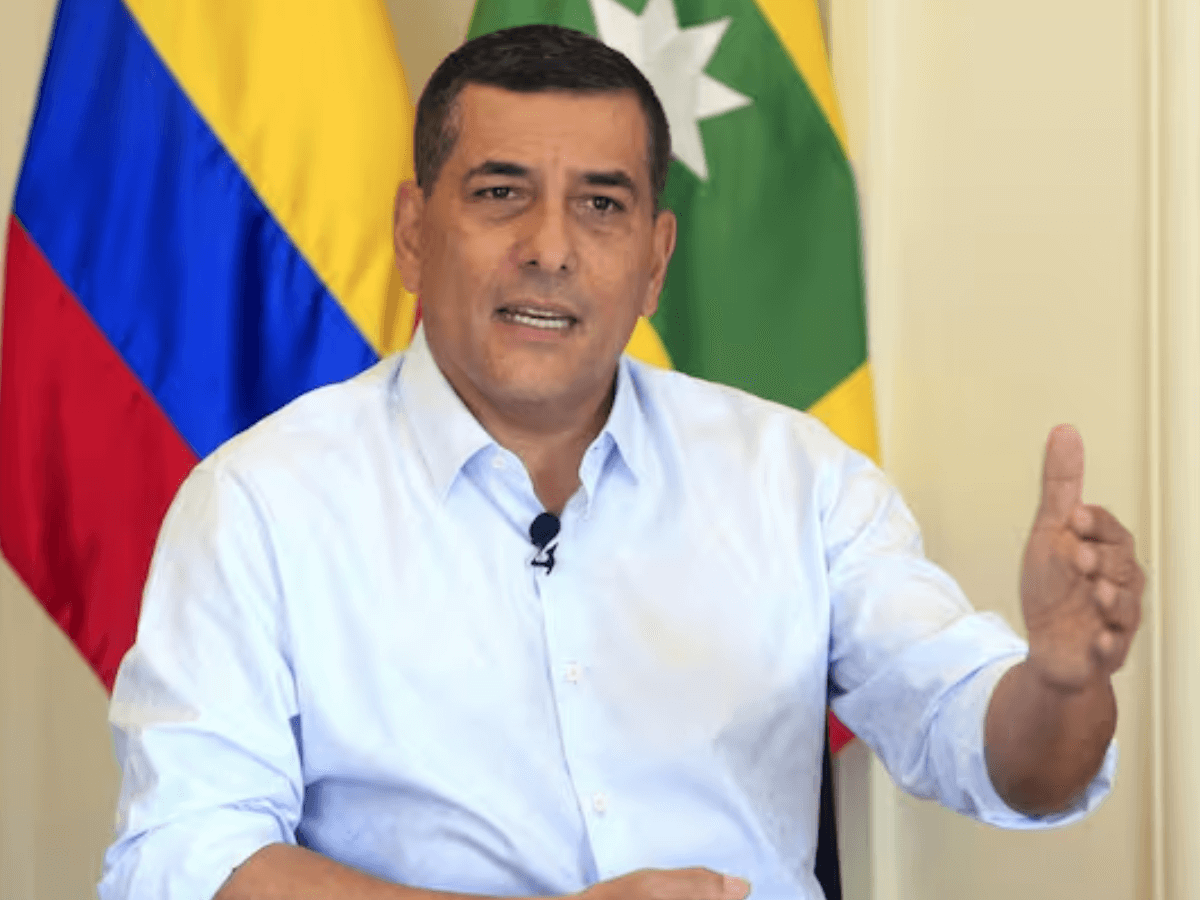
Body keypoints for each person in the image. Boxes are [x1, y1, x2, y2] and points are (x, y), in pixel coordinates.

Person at [98, 24, 1144, 900]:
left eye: (601, 204)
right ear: (414, 233)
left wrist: (1060, 683)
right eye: (500, 193)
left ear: (654, 260)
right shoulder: (263, 501)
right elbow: (184, 859)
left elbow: (1003, 757)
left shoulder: (793, 478)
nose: (550, 248)